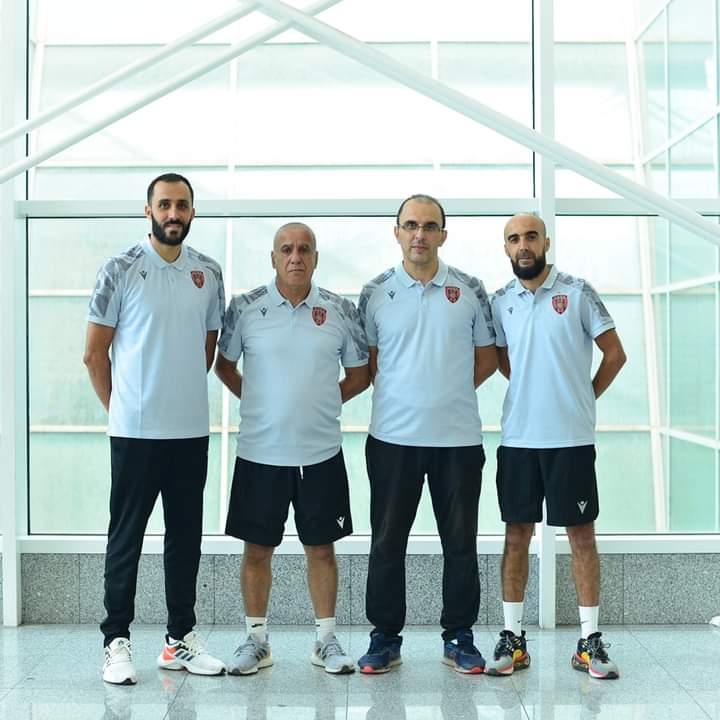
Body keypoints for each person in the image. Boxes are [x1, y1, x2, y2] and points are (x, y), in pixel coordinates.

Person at [84, 173, 227, 684]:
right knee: (126, 538)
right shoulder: (119, 269)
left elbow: (206, 351)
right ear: (148, 210)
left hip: (189, 432)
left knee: (185, 539)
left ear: (192, 213)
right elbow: (94, 354)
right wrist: (122, 410)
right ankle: (116, 641)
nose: (173, 213)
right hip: (135, 434)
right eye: (164, 204)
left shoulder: (208, 273)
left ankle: (179, 640)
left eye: (181, 205)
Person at [215, 222, 370, 675]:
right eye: (286, 249)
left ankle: (325, 641)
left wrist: (321, 403)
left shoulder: (340, 310)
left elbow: (360, 375)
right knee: (256, 550)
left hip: (320, 455)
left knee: (321, 549)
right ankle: (256, 641)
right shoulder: (245, 308)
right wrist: (260, 402)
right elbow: (223, 366)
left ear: (316, 257)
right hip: (259, 454)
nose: (295, 257)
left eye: (304, 249)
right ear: (274, 258)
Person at [356, 194, 498, 674]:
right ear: (396, 232)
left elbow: (487, 358)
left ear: (443, 234)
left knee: (460, 543)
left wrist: (445, 392)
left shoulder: (469, 289)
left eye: (430, 226)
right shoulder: (375, 291)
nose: (420, 234)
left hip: (457, 442)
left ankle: (459, 636)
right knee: (386, 543)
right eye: (411, 225)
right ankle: (384, 637)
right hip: (392, 440)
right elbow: (371, 362)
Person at [486, 213, 626, 680]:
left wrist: (583, 396)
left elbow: (615, 354)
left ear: (545, 242)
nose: (523, 245)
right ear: (506, 248)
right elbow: (503, 359)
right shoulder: (500, 301)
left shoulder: (578, 292)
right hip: (519, 440)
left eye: (530, 236)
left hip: (571, 441)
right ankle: (513, 640)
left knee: (582, 538)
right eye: (514, 239)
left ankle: (589, 642)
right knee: (516, 537)